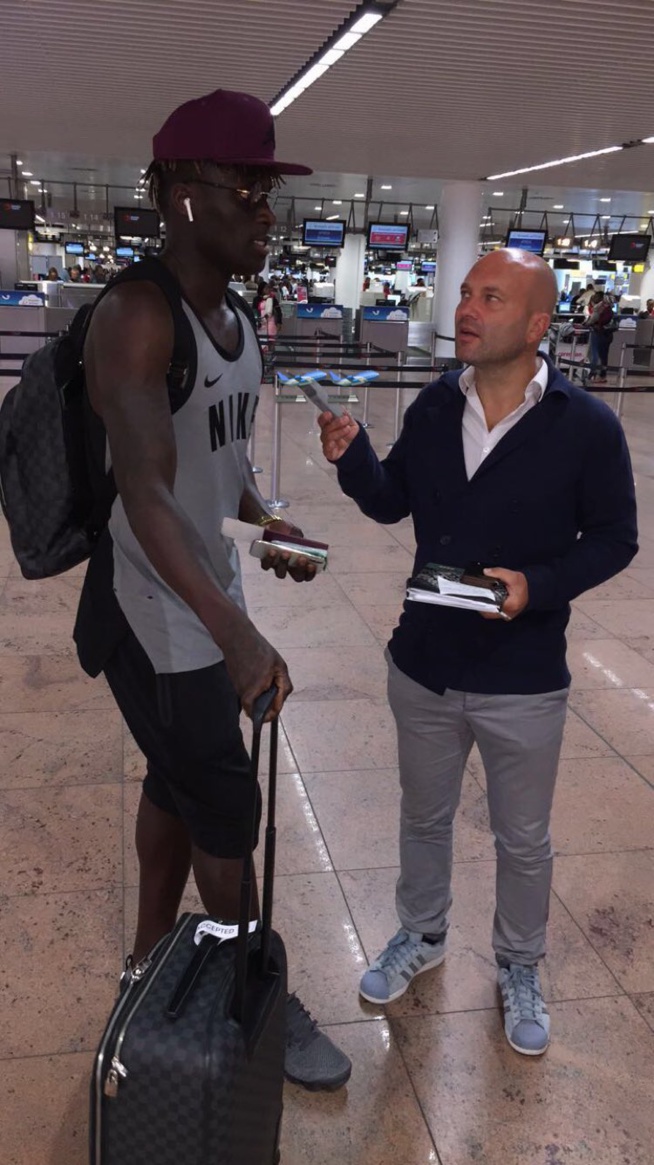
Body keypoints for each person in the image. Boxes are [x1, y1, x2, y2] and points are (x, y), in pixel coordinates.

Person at [74, 87, 351, 1092]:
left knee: (174, 783)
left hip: (199, 600)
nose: (264, 209)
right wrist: (234, 632)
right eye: (249, 187)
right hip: (158, 621)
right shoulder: (134, 319)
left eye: (269, 190)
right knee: (227, 814)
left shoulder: (233, 318)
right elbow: (146, 492)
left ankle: (148, 958)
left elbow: (217, 458)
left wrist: (266, 520)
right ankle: (249, 991)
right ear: (185, 196)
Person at [318, 248, 638, 1056]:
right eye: (464, 293)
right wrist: (352, 456)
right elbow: (393, 500)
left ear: (536, 325)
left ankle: (519, 964)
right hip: (424, 661)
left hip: (522, 675)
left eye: (489, 298)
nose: (465, 308)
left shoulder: (586, 426)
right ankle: (421, 935)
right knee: (422, 815)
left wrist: (539, 583)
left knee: (522, 837)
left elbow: (616, 539)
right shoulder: (434, 405)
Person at [586, 290, 615, 383]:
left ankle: (593, 374)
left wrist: (588, 323)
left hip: (599, 333)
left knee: (595, 355)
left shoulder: (601, 309)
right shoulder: (611, 311)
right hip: (608, 335)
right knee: (604, 356)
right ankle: (602, 375)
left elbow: (595, 320)